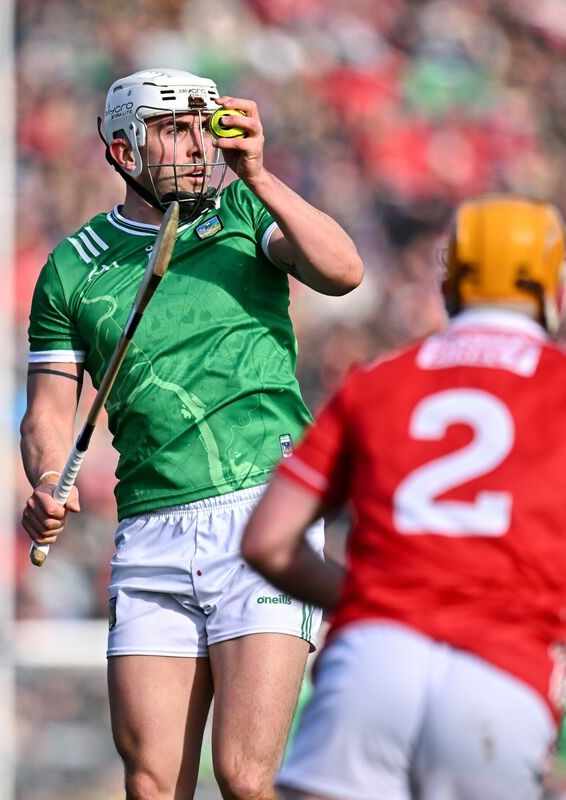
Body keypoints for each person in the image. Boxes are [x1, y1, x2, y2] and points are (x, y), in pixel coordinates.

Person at [241, 195, 566, 800]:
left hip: (370, 665)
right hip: (504, 677)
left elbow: (268, 541)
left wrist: (374, 599)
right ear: (553, 287)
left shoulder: (378, 380)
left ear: (450, 281)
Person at [20, 68, 363, 800]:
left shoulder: (245, 208)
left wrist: (262, 176)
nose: (198, 144)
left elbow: (344, 271)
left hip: (263, 515)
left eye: (205, 126)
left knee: (243, 776)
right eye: (174, 129)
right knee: (150, 784)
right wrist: (49, 478)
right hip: (152, 532)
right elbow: (49, 410)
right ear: (122, 150)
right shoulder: (71, 270)